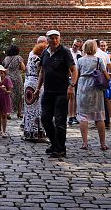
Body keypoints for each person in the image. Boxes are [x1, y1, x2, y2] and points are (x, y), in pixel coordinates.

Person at [35, 30, 77, 158]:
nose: (54, 40)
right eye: (51, 38)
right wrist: (38, 89)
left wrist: (72, 86)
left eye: (56, 38)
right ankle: (54, 144)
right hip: (48, 92)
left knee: (60, 121)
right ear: (47, 40)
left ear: (59, 39)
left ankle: (60, 149)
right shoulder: (45, 53)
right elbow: (42, 71)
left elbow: (74, 70)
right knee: (45, 119)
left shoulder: (65, 52)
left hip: (61, 92)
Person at [76, 40, 110, 150]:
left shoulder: (80, 60)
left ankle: (84, 143)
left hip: (83, 87)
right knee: (99, 116)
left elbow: (76, 73)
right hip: (96, 88)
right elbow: (106, 75)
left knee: (83, 116)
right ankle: (103, 143)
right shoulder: (99, 60)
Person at [23, 41, 48, 142]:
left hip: (28, 83)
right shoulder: (39, 60)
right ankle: (37, 134)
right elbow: (42, 73)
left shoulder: (31, 57)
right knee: (38, 108)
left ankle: (29, 132)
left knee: (29, 109)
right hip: (35, 83)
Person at [2, 44, 26, 119]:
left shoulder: (6, 58)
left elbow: (3, 67)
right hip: (17, 78)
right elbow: (23, 68)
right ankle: (19, 113)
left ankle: (8, 112)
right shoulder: (19, 58)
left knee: (9, 95)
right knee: (19, 95)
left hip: (8, 78)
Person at [96, 40, 111, 129]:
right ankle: (107, 121)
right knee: (105, 99)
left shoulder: (95, 54)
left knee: (99, 100)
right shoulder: (105, 54)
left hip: (96, 79)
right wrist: (108, 77)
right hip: (104, 78)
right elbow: (110, 68)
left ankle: (99, 121)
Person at [68, 38, 83, 126]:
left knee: (75, 96)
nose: (75, 47)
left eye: (77, 46)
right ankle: (70, 116)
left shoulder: (79, 54)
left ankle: (74, 116)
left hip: (77, 77)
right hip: (70, 76)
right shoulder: (68, 52)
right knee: (71, 96)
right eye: (74, 45)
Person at [0, 65, 13, 137]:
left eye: (2, 73)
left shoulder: (7, 80)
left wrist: (5, 90)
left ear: (4, 73)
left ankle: (4, 130)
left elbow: (10, 91)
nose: (0, 74)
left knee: (4, 115)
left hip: (5, 99)